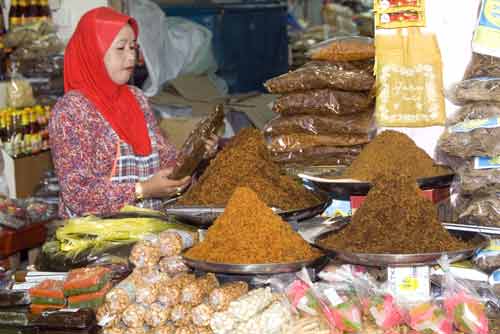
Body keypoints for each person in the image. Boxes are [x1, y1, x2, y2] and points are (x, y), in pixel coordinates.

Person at [49, 7, 217, 218]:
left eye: (133, 47)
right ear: (93, 51)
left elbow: (166, 159)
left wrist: (196, 154)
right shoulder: (72, 111)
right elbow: (78, 193)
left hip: (147, 229)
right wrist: (142, 190)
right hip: (96, 240)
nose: (131, 57)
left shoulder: (136, 98)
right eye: (121, 48)